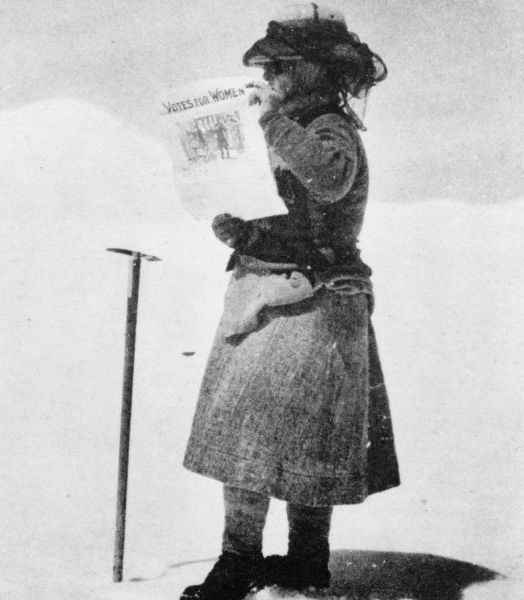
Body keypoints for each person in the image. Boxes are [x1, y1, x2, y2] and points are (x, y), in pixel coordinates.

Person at [180, 4, 400, 599]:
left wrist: (273, 122)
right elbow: (284, 215)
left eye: (279, 66)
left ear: (312, 70)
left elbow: (327, 180)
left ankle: (303, 559)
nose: (268, 77)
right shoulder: (290, 127)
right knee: (248, 431)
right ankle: (242, 557)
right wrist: (242, 231)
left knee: (306, 436)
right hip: (268, 293)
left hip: (317, 301)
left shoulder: (328, 129)